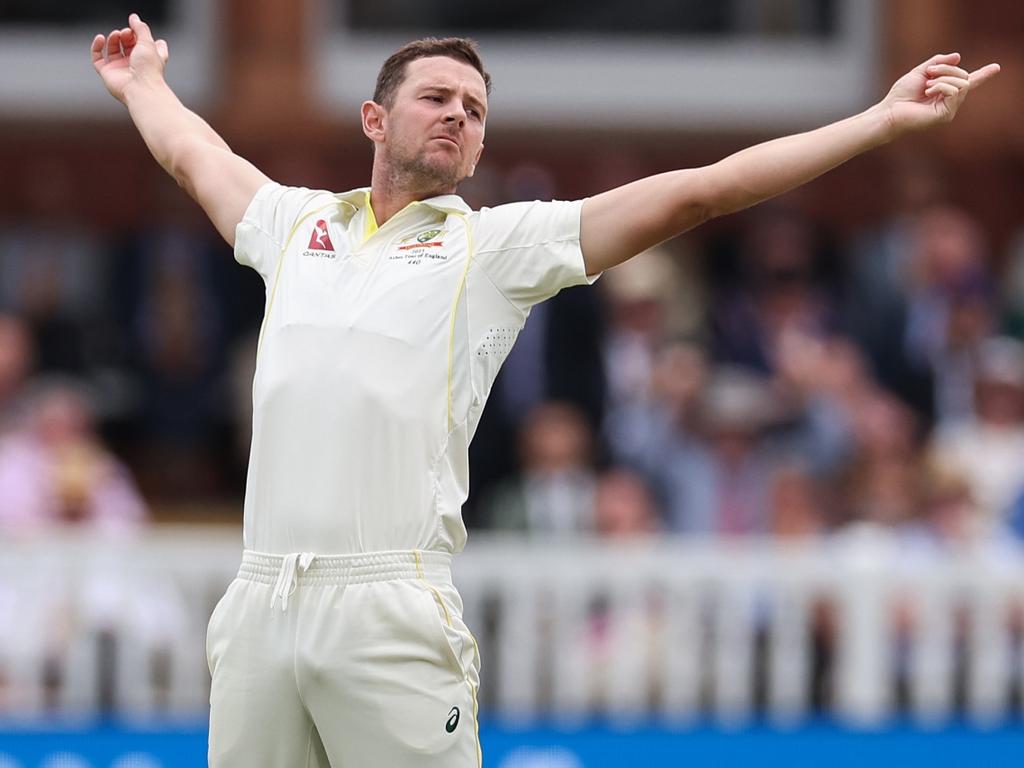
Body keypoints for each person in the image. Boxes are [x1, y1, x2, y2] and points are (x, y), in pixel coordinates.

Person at [90, 12, 999, 767]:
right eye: (437, 98)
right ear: (375, 118)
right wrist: (144, 85)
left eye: (475, 111)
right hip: (259, 605)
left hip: (388, 606)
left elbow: (701, 193)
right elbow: (193, 158)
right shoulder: (295, 225)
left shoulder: (495, 248)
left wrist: (876, 123)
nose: (458, 117)